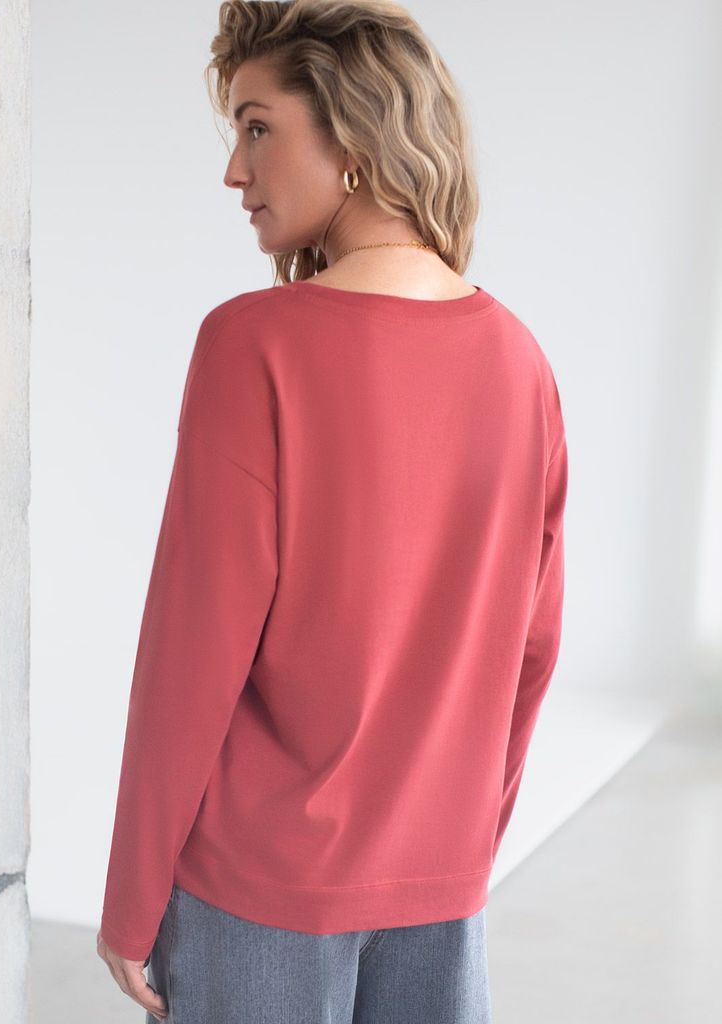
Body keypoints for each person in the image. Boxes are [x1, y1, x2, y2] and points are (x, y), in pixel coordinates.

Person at [96, 1, 568, 1021]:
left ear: (353, 138)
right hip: (441, 886)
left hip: (261, 889)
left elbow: (192, 650)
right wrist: (458, 853)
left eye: (257, 127)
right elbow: (533, 651)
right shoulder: (520, 361)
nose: (234, 170)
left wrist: (130, 900)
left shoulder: (253, 344)